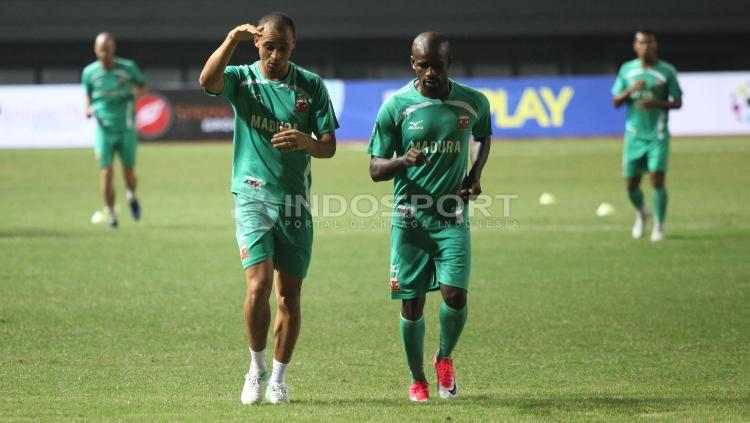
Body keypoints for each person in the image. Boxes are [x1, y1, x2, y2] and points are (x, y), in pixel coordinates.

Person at [198, 12, 338, 405]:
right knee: (258, 286)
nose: (275, 55)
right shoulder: (242, 78)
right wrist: (230, 39)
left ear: (294, 47)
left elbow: (327, 145)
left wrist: (306, 141)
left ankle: (279, 377)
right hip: (252, 195)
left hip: (294, 202)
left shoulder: (311, 86)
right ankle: (255, 368)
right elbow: (207, 81)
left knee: (288, 296)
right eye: (268, 46)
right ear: (257, 44)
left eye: (283, 47)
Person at [368, 32, 491, 401]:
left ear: (449, 63)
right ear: (413, 64)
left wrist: (475, 175)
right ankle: (417, 378)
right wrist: (401, 160)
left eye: (437, 65)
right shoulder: (396, 106)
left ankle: (444, 357)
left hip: (452, 217)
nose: (430, 72)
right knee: (413, 301)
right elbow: (375, 169)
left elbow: (484, 136)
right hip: (409, 220)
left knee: (455, 296)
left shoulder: (473, 102)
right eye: (423, 65)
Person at [612, 29, 682, 242]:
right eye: (641, 43)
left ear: (655, 45)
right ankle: (642, 212)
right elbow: (615, 102)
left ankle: (659, 226)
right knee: (630, 184)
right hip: (633, 136)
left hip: (657, 135)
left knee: (656, 179)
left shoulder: (667, 71)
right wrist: (631, 89)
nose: (645, 46)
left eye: (649, 42)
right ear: (635, 46)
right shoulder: (627, 70)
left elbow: (678, 102)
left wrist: (657, 103)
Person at [82, 32, 146, 228]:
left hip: (125, 127)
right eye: (101, 50)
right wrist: (88, 108)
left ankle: (131, 195)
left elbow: (143, 87)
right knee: (106, 173)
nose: (104, 54)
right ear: (95, 50)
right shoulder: (89, 73)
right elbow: (88, 95)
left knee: (128, 173)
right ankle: (110, 213)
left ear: (114, 49)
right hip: (104, 130)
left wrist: (132, 92)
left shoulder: (127, 68)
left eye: (107, 50)